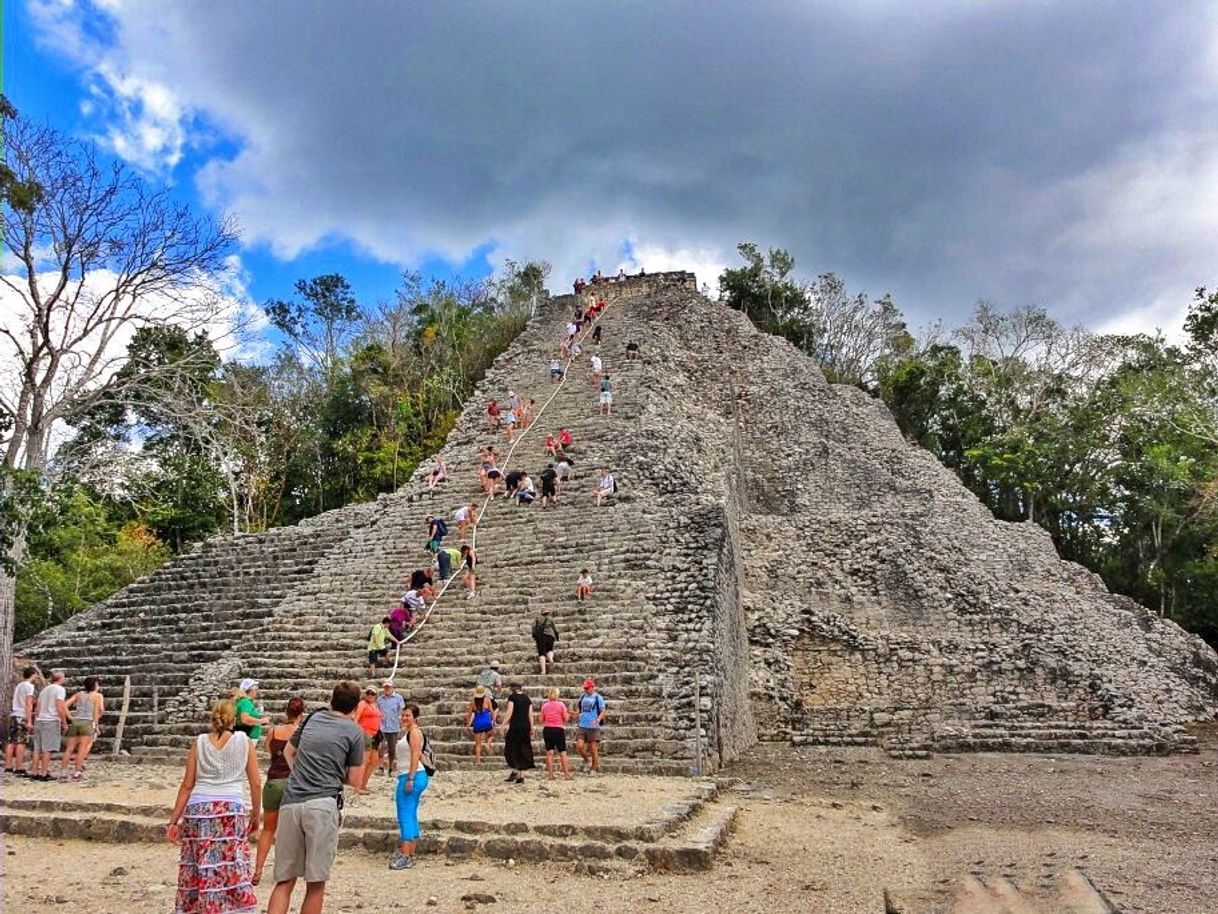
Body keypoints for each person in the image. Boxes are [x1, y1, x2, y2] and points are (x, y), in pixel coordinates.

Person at [266, 681, 365, 914]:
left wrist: (301, 773)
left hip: (292, 801)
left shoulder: (312, 719)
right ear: (355, 706)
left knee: (284, 880)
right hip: (323, 803)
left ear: (332, 700)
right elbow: (355, 780)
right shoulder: (355, 732)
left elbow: (289, 752)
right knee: (316, 883)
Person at [167, 699, 261, 913]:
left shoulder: (199, 742)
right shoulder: (243, 741)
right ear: (233, 719)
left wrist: (173, 820)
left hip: (199, 808)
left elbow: (187, 785)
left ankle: (199, 907)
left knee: (198, 862)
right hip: (230, 807)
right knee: (232, 862)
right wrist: (256, 815)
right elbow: (255, 782)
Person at [253, 696, 306, 886]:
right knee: (292, 830)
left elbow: (270, 751)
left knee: (268, 829)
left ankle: (258, 869)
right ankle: (286, 870)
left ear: (286, 712)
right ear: (301, 714)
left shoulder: (273, 731)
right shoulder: (301, 733)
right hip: (293, 783)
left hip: (274, 781)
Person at [390, 704, 433, 870]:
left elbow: (416, 754)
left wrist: (410, 778)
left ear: (415, 717)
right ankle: (411, 853)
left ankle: (405, 855)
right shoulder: (409, 732)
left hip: (411, 776)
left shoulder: (414, 732)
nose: (404, 718)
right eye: (403, 715)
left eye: (407, 715)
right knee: (410, 813)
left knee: (405, 815)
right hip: (409, 775)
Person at [61, 676, 104, 780]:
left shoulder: (79, 694)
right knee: (82, 748)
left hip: (76, 722)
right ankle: (77, 772)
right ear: (95, 685)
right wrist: (96, 724)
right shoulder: (98, 696)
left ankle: (63, 771)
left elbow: (64, 705)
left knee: (69, 749)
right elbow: (99, 710)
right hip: (87, 722)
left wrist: (70, 716)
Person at [30, 670, 67, 781]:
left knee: (37, 748)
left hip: (40, 720)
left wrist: (36, 719)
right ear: (60, 678)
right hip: (51, 720)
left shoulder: (44, 690)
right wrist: (64, 722)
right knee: (47, 748)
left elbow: (37, 708)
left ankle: (34, 771)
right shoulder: (60, 690)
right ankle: (44, 773)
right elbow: (60, 707)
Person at [6, 665, 39, 777]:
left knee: (11, 741)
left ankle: (8, 765)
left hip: (14, 714)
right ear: (33, 674)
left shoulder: (19, 685)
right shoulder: (29, 686)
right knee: (21, 741)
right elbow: (28, 704)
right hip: (22, 715)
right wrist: (29, 720)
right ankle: (19, 766)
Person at [499, 683, 534, 784]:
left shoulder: (512, 698)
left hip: (515, 726)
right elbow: (530, 715)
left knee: (511, 748)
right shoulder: (527, 699)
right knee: (523, 749)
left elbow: (510, 712)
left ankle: (514, 771)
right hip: (525, 726)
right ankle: (521, 775)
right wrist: (532, 727)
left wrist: (503, 725)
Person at [538, 688, 573, 781]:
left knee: (549, 752)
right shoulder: (561, 705)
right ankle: (566, 774)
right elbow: (566, 718)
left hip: (548, 729)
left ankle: (550, 775)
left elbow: (541, 719)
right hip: (558, 728)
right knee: (562, 752)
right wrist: (567, 716)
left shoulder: (544, 706)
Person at [575, 680, 607, 775]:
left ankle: (594, 766)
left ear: (592, 687)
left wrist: (598, 719)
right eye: (584, 688)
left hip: (593, 725)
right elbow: (579, 709)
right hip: (583, 724)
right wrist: (575, 713)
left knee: (593, 747)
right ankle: (586, 760)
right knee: (579, 745)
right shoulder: (582, 697)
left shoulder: (598, 697)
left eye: (587, 688)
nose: (585, 689)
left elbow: (603, 710)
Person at [375, 681, 405, 776]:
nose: (387, 689)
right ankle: (380, 767)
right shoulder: (380, 699)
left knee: (392, 749)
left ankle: (391, 768)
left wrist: (402, 722)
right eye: (385, 687)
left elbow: (401, 711)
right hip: (382, 727)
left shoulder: (398, 698)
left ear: (392, 687)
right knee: (380, 748)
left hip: (393, 727)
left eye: (388, 687)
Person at [355, 687, 382, 791]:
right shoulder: (362, 704)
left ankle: (363, 784)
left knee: (374, 761)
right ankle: (358, 786)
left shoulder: (375, 706)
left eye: (372, 693)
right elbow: (356, 718)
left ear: (375, 695)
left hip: (375, 734)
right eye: (368, 693)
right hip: (365, 733)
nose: (370, 695)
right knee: (364, 760)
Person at [464, 686, 497, 765]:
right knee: (492, 733)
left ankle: (478, 761)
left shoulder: (472, 702)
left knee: (478, 743)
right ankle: (488, 743)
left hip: (477, 723)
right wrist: (494, 720)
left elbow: (469, 715)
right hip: (486, 721)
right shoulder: (487, 700)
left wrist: (468, 725)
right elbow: (492, 711)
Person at [532, 609, 559, 675]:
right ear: (548, 613)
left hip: (540, 636)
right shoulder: (550, 618)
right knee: (550, 649)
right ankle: (550, 659)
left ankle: (543, 671)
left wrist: (534, 636)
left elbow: (533, 628)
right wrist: (557, 636)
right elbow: (555, 629)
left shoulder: (537, 618)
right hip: (550, 635)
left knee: (542, 653)